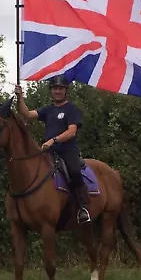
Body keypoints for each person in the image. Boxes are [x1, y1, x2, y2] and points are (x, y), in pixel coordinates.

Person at [14, 75, 91, 224]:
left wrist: (53, 140)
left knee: (74, 171)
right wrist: (20, 97)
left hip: (68, 150)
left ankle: (83, 207)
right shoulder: (48, 109)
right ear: (51, 91)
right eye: (55, 88)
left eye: (60, 88)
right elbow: (27, 115)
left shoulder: (72, 109)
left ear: (65, 91)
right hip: (49, 151)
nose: (57, 91)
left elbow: (71, 132)